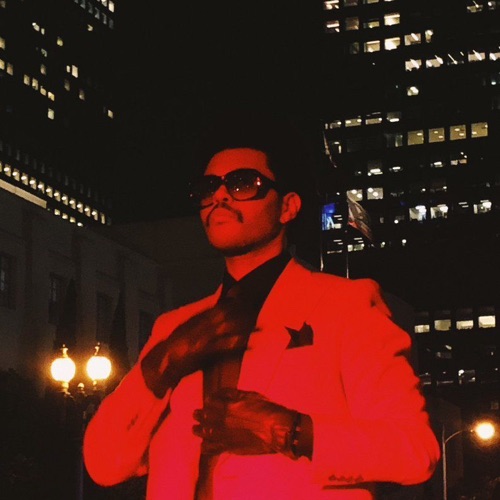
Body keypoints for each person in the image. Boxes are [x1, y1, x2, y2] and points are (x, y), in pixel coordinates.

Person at [83, 111, 440, 499]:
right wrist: (163, 363)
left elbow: (414, 450)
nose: (220, 197)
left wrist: (291, 430)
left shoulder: (346, 304)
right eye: (208, 187)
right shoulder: (176, 328)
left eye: (242, 183)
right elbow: (103, 464)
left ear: (287, 207)